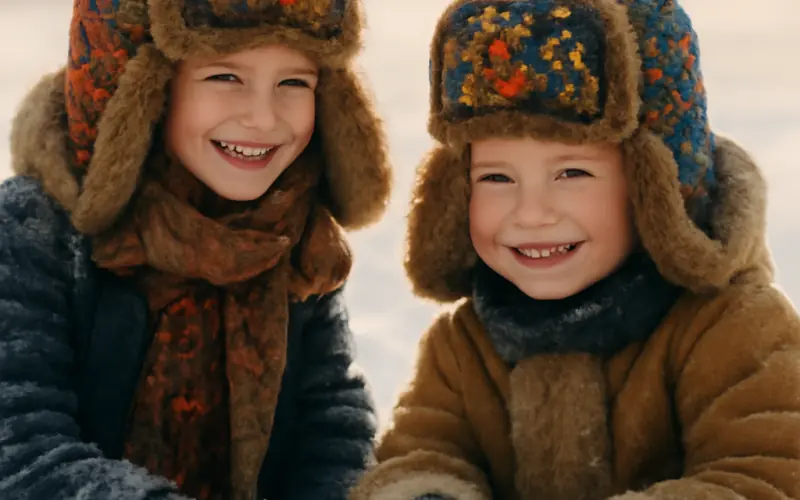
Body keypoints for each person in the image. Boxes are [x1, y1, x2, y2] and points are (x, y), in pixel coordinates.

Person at [351, 0, 800, 499]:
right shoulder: (465, 346)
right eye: (497, 177)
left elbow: (769, 474)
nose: (531, 212)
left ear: (655, 193)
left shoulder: (732, 329)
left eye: (572, 174)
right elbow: (422, 451)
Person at [0, 1, 390, 499]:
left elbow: (332, 427)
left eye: (294, 83)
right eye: (225, 77)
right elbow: (21, 446)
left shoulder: (290, 233)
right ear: (145, 91)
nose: (263, 117)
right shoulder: (34, 233)